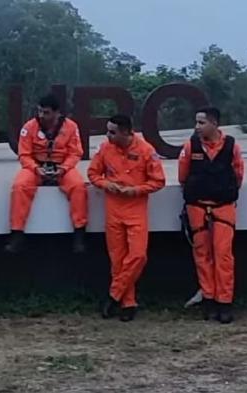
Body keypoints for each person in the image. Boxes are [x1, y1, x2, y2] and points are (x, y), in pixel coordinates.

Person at [88, 114, 165, 322]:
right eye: (107, 131)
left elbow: (159, 181)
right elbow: (93, 174)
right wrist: (107, 185)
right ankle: (128, 303)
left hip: (136, 209)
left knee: (138, 256)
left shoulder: (146, 150)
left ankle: (113, 296)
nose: (108, 135)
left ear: (126, 132)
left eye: (112, 132)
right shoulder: (104, 149)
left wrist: (136, 190)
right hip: (113, 209)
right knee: (118, 260)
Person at [178, 106, 244, 324]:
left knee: (223, 255)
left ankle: (224, 302)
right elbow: (182, 175)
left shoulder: (232, 146)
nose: (197, 127)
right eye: (196, 122)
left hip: (223, 207)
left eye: (201, 122)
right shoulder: (190, 146)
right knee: (202, 255)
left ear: (214, 124)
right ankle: (208, 299)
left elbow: (238, 173)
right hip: (197, 207)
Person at [5, 94, 88, 254]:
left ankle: (79, 234)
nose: (42, 116)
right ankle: (17, 233)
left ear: (57, 113)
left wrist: (64, 168)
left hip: (62, 167)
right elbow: (24, 154)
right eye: (40, 112)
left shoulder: (70, 127)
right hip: (36, 166)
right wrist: (36, 168)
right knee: (20, 186)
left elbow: (76, 153)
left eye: (47, 112)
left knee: (78, 187)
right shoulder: (29, 127)